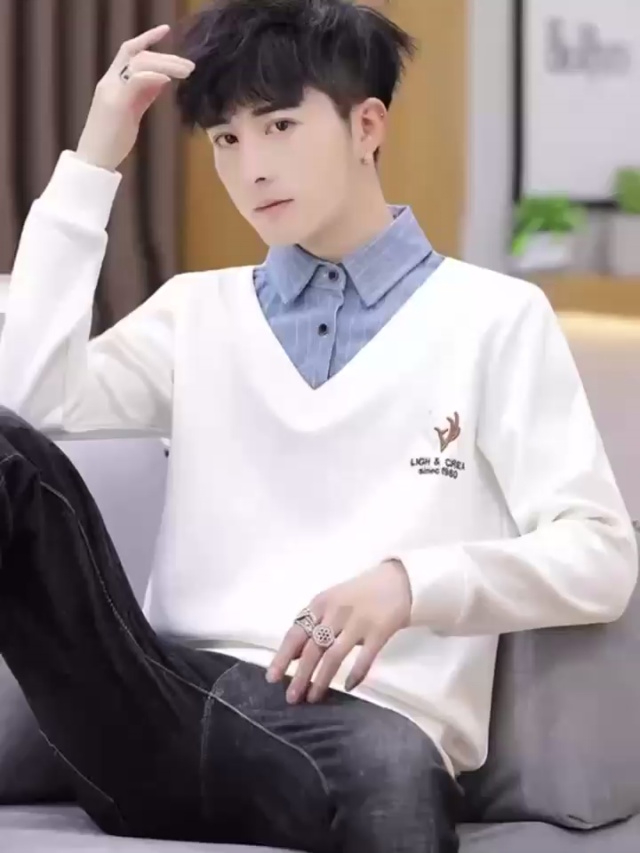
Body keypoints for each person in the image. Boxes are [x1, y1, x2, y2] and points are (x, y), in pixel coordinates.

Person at [0, 0, 636, 850]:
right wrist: (94, 157)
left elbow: (600, 554)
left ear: (366, 126)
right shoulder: (195, 311)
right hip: (160, 700)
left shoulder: (494, 318)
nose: (251, 167)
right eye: (226, 139)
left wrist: (410, 583)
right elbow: (27, 405)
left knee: (392, 774)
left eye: (280, 126)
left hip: (361, 727)